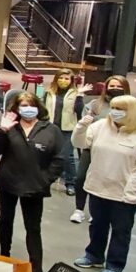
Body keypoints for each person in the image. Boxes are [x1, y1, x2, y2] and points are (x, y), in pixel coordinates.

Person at [71, 95, 136, 272]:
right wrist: (81, 126)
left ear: (132, 112)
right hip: (98, 187)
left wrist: (131, 192)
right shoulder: (100, 127)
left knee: (120, 231)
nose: (115, 111)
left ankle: (114, 265)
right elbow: (79, 143)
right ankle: (94, 256)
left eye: (121, 108)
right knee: (97, 225)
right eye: (114, 107)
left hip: (124, 194)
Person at [0, 91, 65, 272]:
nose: (27, 109)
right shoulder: (10, 127)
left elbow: (59, 160)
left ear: (38, 107)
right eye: (22, 105)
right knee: (5, 221)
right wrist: (2, 130)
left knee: (33, 229)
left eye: (30, 105)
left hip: (34, 188)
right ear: (16, 109)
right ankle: (4, 257)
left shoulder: (50, 130)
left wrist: (44, 181)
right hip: (8, 183)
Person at [71, 75, 130, 223]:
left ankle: (95, 211)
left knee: (102, 179)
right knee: (81, 177)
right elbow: (84, 123)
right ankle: (79, 210)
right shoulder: (95, 104)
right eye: (112, 86)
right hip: (92, 148)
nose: (115, 89)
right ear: (106, 88)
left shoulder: (131, 106)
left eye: (119, 87)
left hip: (115, 152)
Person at [43, 68, 90, 196]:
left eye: (66, 78)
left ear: (71, 81)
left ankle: (71, 183)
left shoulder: (75, 93)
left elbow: (79, 111)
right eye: (61, 78)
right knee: (47, 153)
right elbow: (43, 108)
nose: (63, 81)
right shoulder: (49, 92)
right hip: (51, 127)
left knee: (67, 156)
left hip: (68, 129)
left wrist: (79, 96)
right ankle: (47, 178)